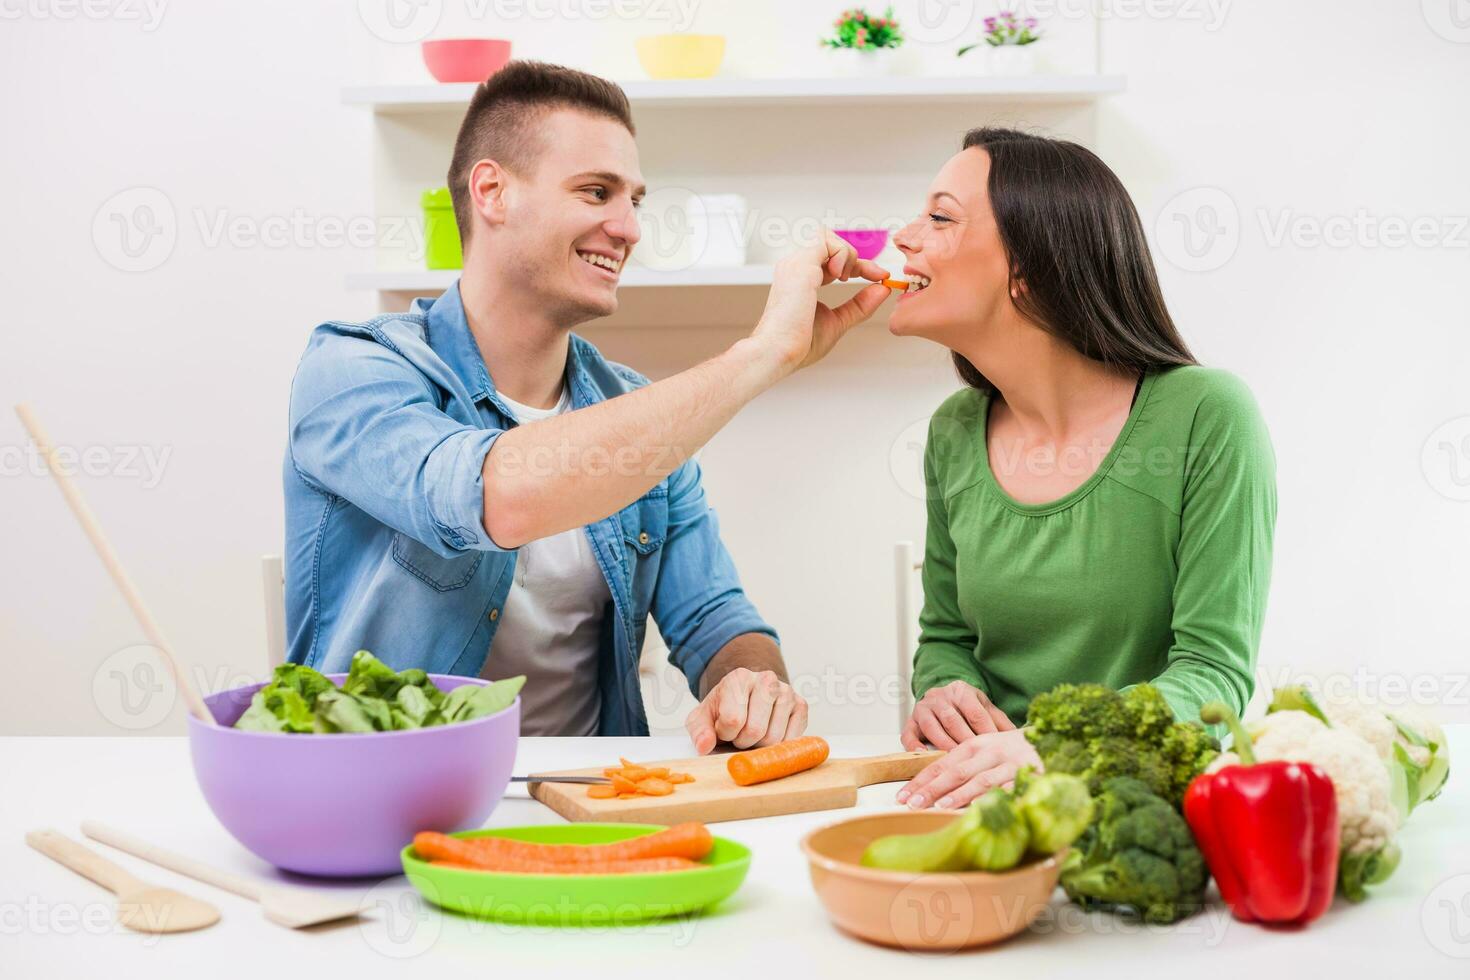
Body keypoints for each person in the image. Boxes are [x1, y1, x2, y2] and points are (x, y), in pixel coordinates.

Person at [281, 61, 891, 747]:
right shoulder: (354, 371)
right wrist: (761, 354)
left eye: (635, 201)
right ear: (493, 192)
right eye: (597, 192)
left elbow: (715, 617)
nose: (629, 229)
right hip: (386, 801)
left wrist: (751, 681)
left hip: (584, 806)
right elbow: (496, 497)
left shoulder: (635, 408)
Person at [892, 128, 1277, 809]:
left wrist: (1051, 747)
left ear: (1029, 268)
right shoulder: (954, 432)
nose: (903, 237)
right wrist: (944, 691)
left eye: (940, 217)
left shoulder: (1206, 416)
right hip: (982, 805)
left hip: (1137, 805)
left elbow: (1212, 674)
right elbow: (946, 637)